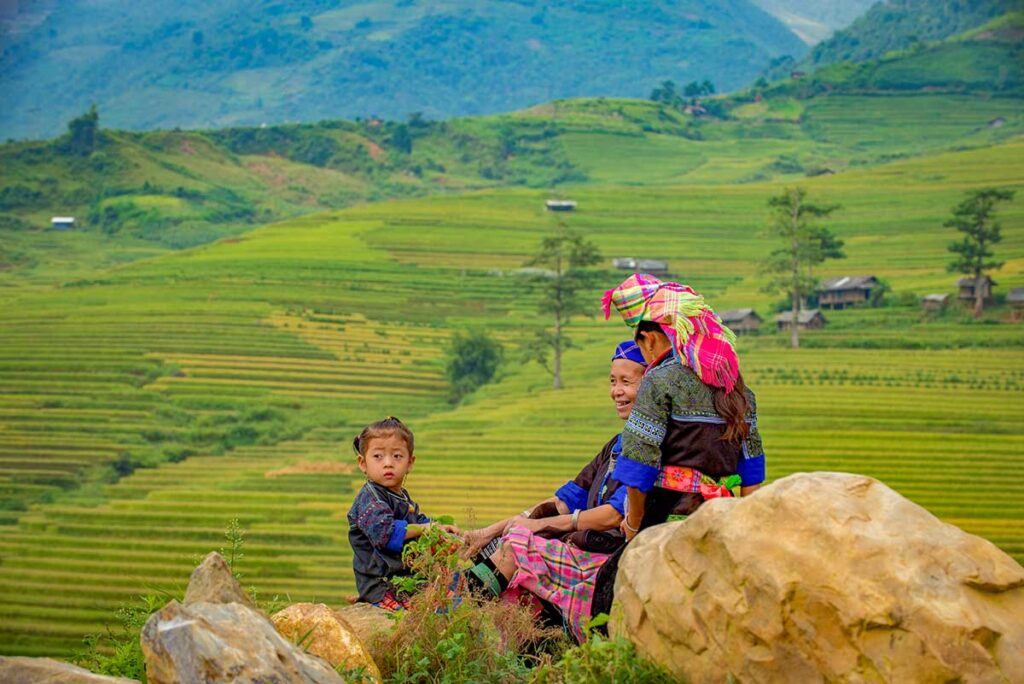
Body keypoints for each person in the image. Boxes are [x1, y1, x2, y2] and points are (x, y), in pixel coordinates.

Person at [460, 340, 648, 641]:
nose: (616, 391)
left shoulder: (651, 449)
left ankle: (453, 613)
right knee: (513, 542)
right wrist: (491, 530)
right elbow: (564, 500)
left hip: (609, 557)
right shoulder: (616, 444)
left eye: (627, 382)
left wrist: (534, 526)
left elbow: (615, 514)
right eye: (613, 381)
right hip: (583, 547)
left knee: (519, 544)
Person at [600, 273, 766, 542]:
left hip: (667, 515)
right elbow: (752, 466)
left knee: (613, 581)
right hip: (722, 516)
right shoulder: (736, 387)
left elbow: (639, 459)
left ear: (650, 339)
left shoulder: (659, 379)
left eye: (641, 347)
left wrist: (633, 523)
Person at [347, 416, 459, 611]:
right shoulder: (369, 498)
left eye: (397, 456)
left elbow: (417, 520)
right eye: (378, 457)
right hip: (381, 585)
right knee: (420, 616)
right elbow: (387, 534)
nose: (388, 463)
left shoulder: (400, 496)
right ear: (362, 463)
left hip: (403, 579)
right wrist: (425, 528)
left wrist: (439, 529)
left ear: (410, 462)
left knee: (451, 590)